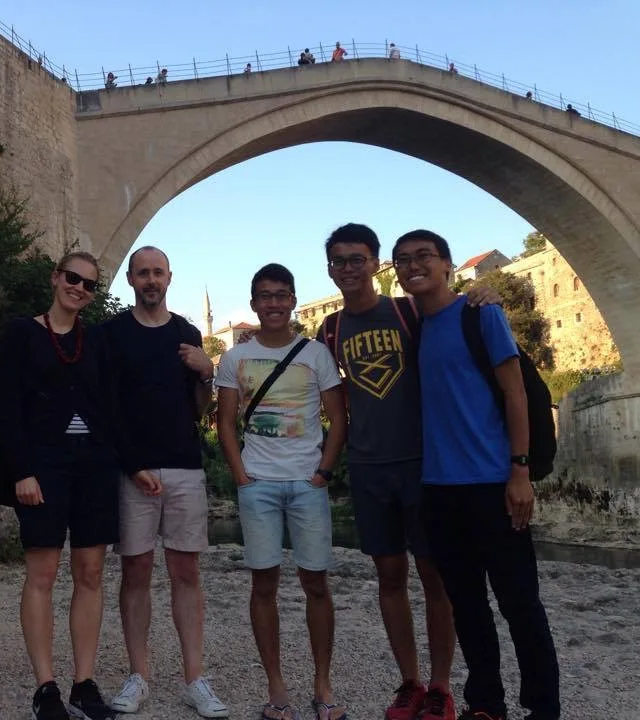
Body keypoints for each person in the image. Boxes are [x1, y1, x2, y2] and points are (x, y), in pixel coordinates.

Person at [391, 230, 561, 720]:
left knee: (520, 604)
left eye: (424, 256)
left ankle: (544, 709)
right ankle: (487, 704)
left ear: (447, 264)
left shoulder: (480, 313)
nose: (413, 265)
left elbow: (515, 394)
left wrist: (519, 472)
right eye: (403, 260)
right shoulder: (415, 327)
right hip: (440, 490)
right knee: (466, 605)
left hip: (493, 484)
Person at [320, 224, 462, 720]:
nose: (348, 269)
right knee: (389, 577)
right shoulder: (329, 330)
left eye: (357, 259)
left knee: (435, 577)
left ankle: (441, 686)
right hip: (367, 467)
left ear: (376, 263)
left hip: (422, 464)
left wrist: (481, 295)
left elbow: (454, 323)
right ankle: (409, 682)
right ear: (330, 269)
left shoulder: (408, 311)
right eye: (339, 261)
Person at [217, 264, 348, 720]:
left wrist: (324, 472)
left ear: (293, 300)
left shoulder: (316, 354)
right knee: (263, 585)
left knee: (316, 584)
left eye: (281, 295)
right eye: (265, 296)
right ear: (254, 303)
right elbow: (224, 422)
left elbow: (338, 418)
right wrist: (240, 475)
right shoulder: (235, 358)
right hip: (258, 484)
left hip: (307, 483)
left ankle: (322, 683)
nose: (273, 303)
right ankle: (276, 686)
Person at [103, 247, 228, 718]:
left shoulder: (187, 334)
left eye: (158, 272)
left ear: (169, 278)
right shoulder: (112, 334)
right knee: (135, 572)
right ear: (131, 279)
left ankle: (195, 678)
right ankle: (139, 675)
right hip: (132, 470)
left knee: (186, 572)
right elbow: (107, 407)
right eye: (143, 273)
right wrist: (131, 464)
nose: (151, 280)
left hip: (184, 466)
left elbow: (198, 410)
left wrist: (207, 373)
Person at [0, 251, 123, 720]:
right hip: (43, 466)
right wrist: (20, 470)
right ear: (55, 277)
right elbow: (7, 405)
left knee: (90, 573)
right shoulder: (21, 333)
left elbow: (112, 403)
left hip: (94, 466)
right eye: (73, 277)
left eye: (89, 284)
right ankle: (45, 687)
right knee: (43, 574)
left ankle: (84, 684)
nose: (79, 288)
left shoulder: (98, 340)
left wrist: (125, 462)